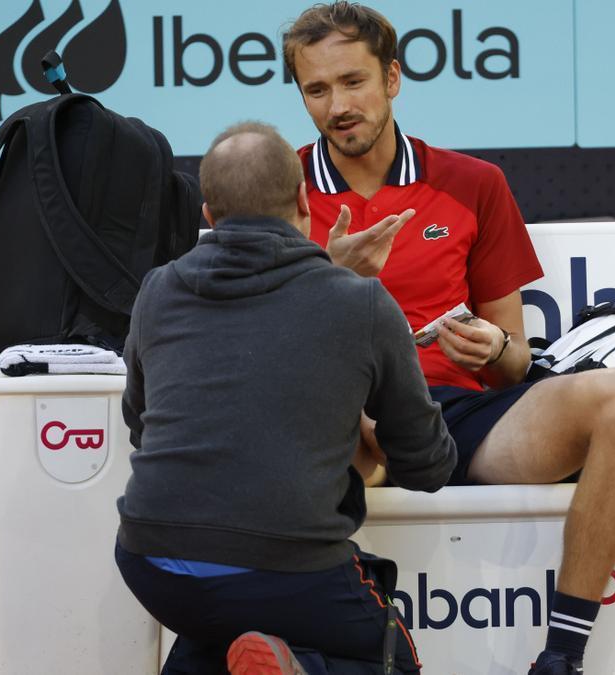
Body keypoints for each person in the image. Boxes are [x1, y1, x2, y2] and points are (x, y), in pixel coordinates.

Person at [283, 4, 615, 673]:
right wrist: (330, 284)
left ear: (392, 77)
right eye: (317, 89)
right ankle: (321, 656)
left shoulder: (472, 183)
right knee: (326, 416)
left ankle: (561, 657)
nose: (337, 105)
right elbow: (260, 355)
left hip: (450, 419)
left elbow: (515, 362)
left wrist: (492, 347)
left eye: (353, 81)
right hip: (336, 421)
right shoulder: (279, 194)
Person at [114, 121, 457, 675]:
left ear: (208, 214)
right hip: (286, 567)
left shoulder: (158, 288)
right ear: (303, 199)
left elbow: (142, 427)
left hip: (151, 560)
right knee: (393, 663)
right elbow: (427, 465)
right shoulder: (361, 302)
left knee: (219, 636)